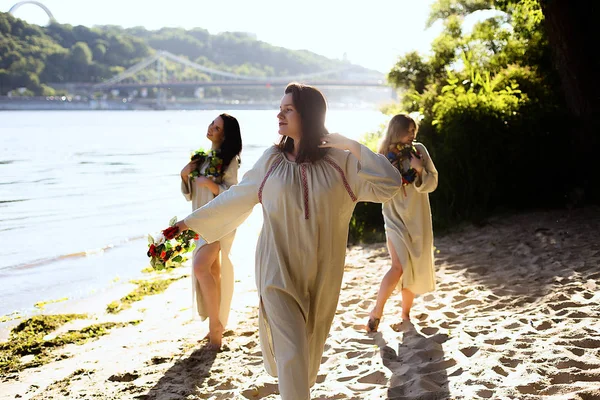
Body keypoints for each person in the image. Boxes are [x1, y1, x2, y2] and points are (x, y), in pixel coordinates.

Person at [173, 82, 403, 399]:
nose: (279, 114)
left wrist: (352, 144)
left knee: (302, 360)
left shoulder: (341, 163)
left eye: (288, 109)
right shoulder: (271, 161)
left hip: (321, 275)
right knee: (292, 352)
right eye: (280, 108)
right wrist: (187, 222)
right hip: (275, 270)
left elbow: (389, 183)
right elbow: (236, 198)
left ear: (307, 114)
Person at [366, 113, 438, 333]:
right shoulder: (383, 155)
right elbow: (377, 185)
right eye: (408, 131)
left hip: (417, 217)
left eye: (413, 131)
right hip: (394, 215)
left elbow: (432, 181)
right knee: (398, 266)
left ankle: (405, 315)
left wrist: (418, 169)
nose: (411, 135)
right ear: (396, 130)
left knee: (412, 267)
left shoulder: (419, 151)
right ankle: (375, 314)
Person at [180, 113, 242, 348]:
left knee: (200, 267)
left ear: (225, 134)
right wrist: (185, 174)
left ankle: (216, 328)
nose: (211, 128)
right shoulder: (201, 158)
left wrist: (211, 184)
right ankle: (215, 324)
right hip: (201, 220)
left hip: (218, 222)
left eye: (217, 127)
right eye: (211, 124)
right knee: (213, 272)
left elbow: (233, 193)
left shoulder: (230, 161)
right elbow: (190, 196)